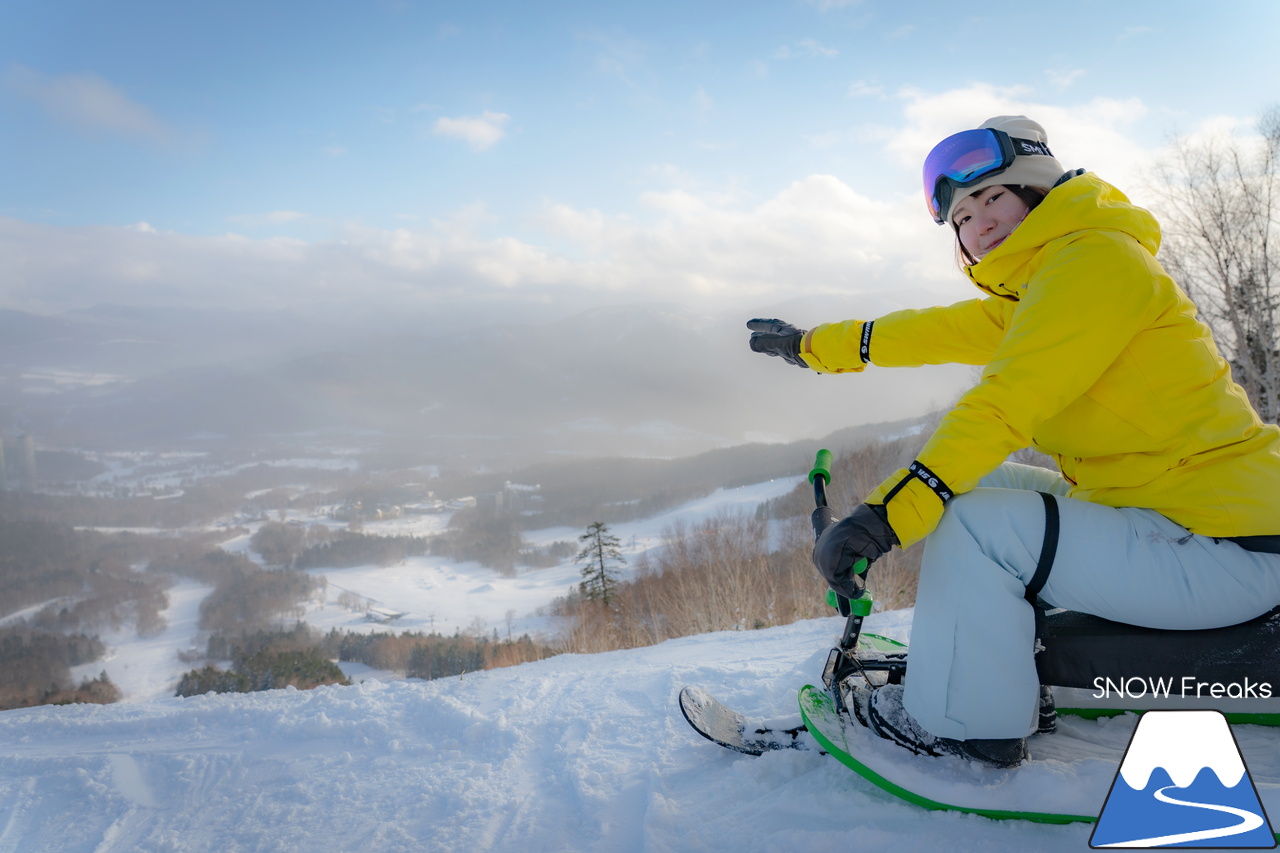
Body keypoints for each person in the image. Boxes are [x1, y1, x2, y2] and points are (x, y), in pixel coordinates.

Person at [746, 115, 1280, 769]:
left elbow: (1004, 405)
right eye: (962, 216)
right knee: (985, 485)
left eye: (993, 196)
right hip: (1178, 514)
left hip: (1230, 549)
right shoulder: (1054, 278)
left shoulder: (1094, 266)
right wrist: (809, 347)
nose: (978, 222)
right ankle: (1002, 660)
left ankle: (969, 723)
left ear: (1036, 192)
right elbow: (925, 331)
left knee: (972, 522)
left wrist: (882, 519)